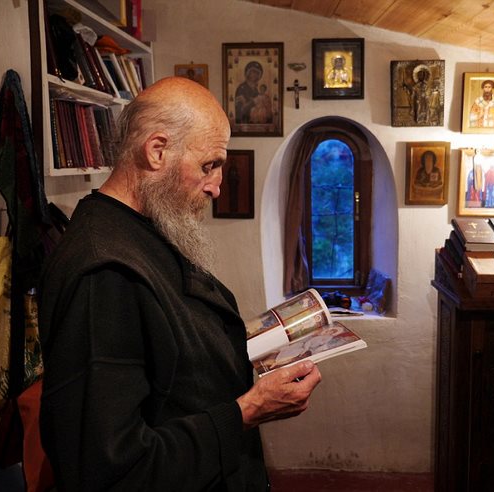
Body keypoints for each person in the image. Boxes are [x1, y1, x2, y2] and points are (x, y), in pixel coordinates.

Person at [38, 77, 322, 491]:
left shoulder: (141, 229)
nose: (217, 186)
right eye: (210, 165)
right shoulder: (103, 273)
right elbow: (111, 468)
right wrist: (248, 409)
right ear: (157, 151)